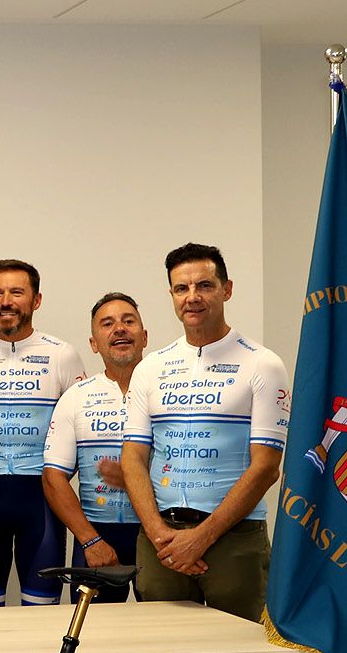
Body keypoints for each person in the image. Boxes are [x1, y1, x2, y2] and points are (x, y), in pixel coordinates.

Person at [122, 244, 288, 621]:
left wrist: (201, 538)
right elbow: (132, 456)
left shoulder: (262, 363)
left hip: (234, 538)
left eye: (204, 286)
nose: (192, 297)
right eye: (181, 288)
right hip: (160, 536)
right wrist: (158, 533)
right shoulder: (151, 367)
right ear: (171, 295)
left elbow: (266, 467)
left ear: (227, 289)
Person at [0, 259, 86, 606]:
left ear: (36, 300)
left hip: (41, 495)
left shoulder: (62, 354)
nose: (6, 301)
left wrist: (62, 475)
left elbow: (81, 429)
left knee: (42, 610)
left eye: (17, 292)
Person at [43, 293, 148, 603]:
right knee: (94, 638)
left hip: (157, 534)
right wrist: (90, 541)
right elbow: (52, 478)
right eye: (107, 324)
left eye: (128, 321)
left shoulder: (166, 391)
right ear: (93, 343)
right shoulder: (76, 397)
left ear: (144, 337)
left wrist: (135, 475)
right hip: (96, 534)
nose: (119, 329)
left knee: (165, 635)